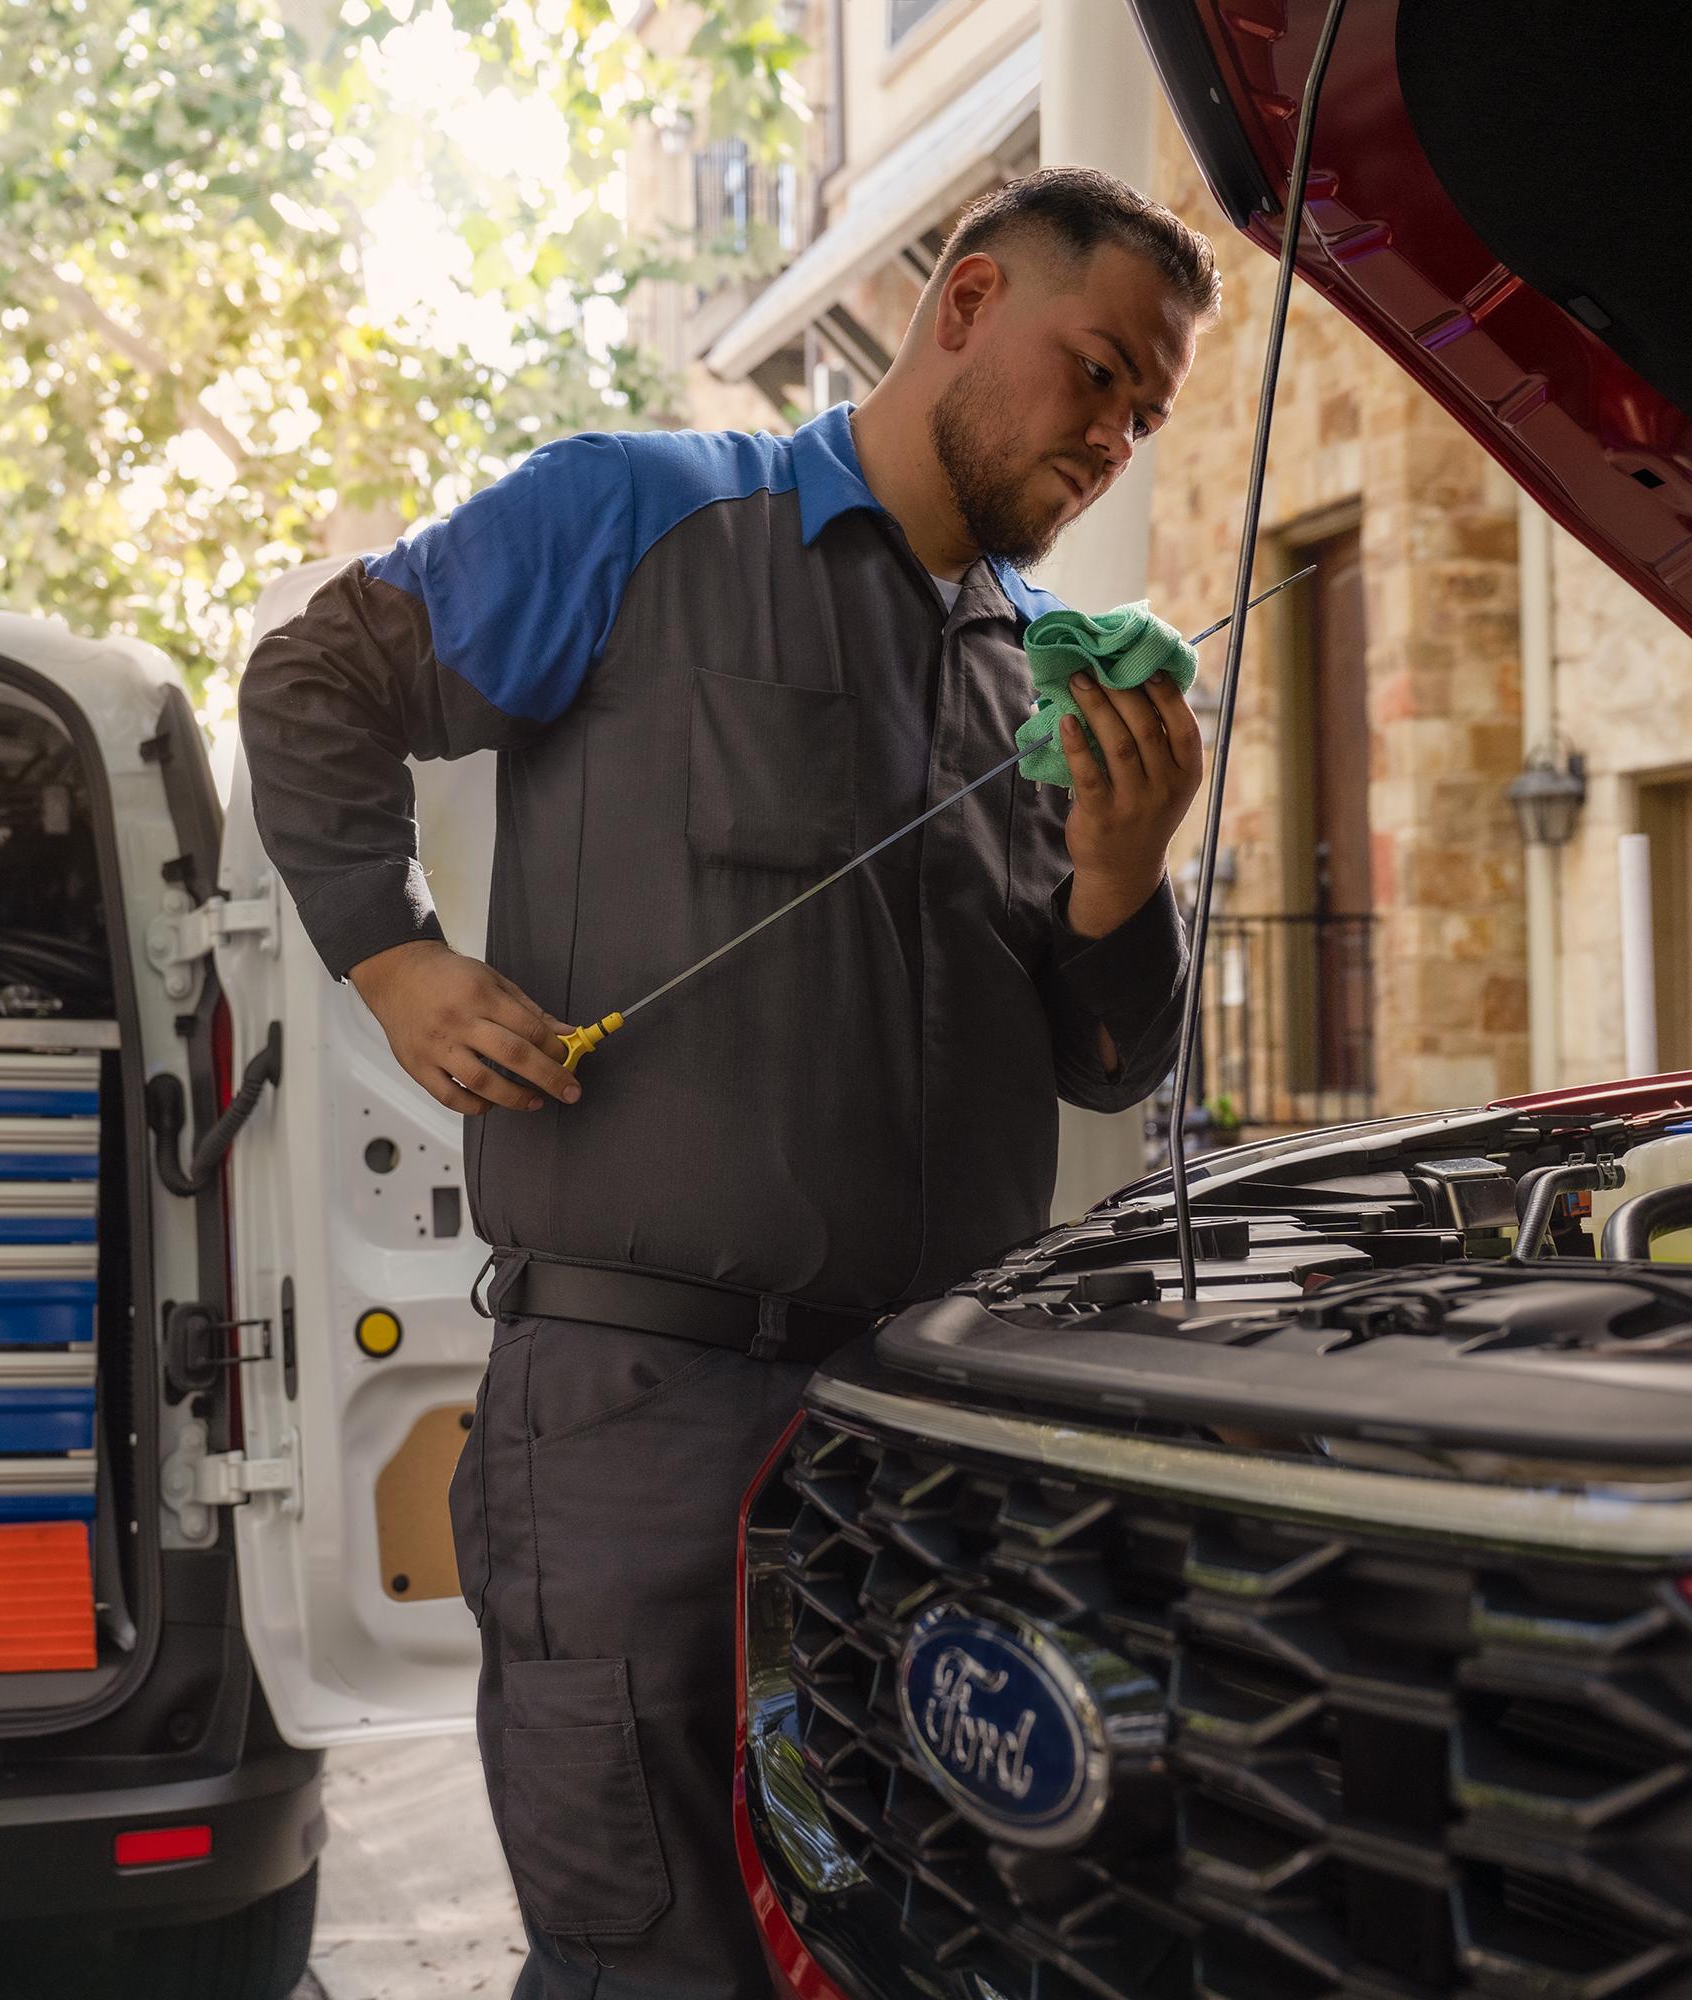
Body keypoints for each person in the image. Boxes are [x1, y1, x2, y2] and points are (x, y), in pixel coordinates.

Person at [238, 165, 1218, 2000]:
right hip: (639, 1420)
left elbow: (1108, 1055)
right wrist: (395, 951)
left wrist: (1119, 877)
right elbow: (314, 680)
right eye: (1097, 372)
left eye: (1148, 412)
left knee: (908, 1949)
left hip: (928, 1440)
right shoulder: (640, 511)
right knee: (656, 1958)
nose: (1116, 437)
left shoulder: (1037, 676)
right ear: (968, 300)